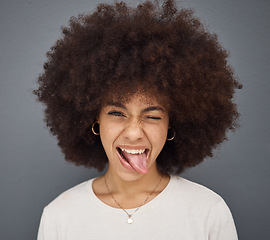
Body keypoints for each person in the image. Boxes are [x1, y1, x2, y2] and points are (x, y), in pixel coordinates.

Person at [35, 0, 242, 239]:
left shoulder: (209, 211)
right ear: (94, 119)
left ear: (172, 124)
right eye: (117, 113)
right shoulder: (59, 216)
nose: (134, 133)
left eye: (152, 116)